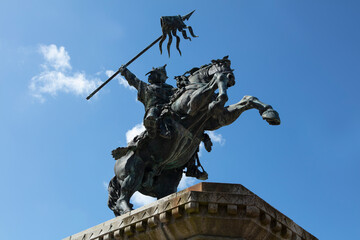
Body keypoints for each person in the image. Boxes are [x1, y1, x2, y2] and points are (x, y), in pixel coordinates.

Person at [119, 64, 174, 139]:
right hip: (153, 110)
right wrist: (125, 71)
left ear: (159, 76)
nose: (149, 76)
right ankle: (152, 130)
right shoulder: (146, 88)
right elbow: (134, 80)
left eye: (152, 74)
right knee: (152, 112)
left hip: (167, 109)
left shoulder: (170, 88)